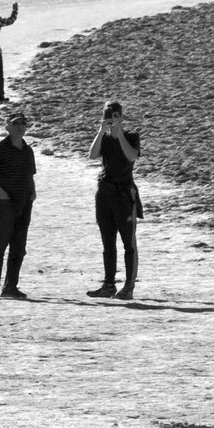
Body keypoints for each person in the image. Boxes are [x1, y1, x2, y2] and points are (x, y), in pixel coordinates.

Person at [86, 101, 144, 299]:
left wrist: (119, 134)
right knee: (107, 242)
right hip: (105, 193)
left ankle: (128, 287)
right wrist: (101, 132)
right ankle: (109, 284)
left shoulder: (131, 137)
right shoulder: (104, 137)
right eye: (107, 118)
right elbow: (92, 155)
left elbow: (131, 156)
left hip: (124, 194)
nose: (111, 121)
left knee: (129, 243)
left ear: (121, 117)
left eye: (114, 117)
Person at [0, 110, 37, 299]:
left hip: (24, 202)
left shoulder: (28, 150)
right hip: (4, 203)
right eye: (16, 123)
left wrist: (32, 193)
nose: (20, 126)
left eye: (23, 123)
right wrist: (3, 197)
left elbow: (30, 175)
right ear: (7, 127)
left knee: (19, 247)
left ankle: (10, 287)